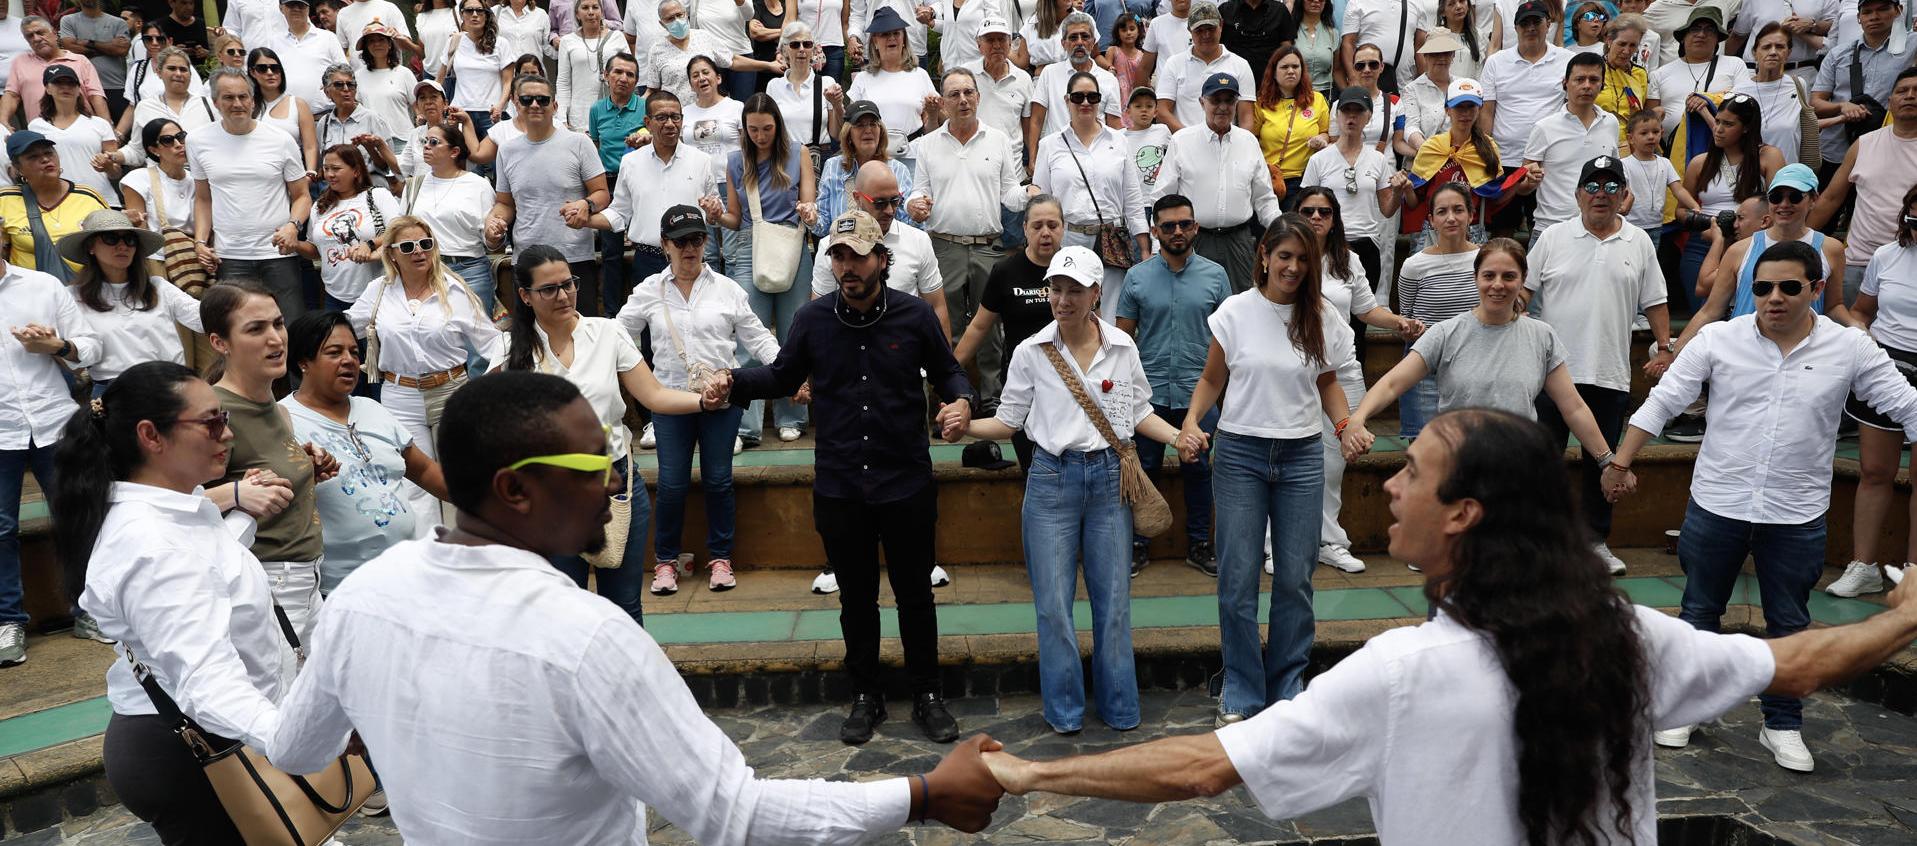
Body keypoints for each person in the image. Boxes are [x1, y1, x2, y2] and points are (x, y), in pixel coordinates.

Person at [979, 404, 1917, 843]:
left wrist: (1031, 772)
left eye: (1412, 474)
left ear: (1463, 512)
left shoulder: (1399, 672)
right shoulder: (1624, 630)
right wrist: (1905, 619)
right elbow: (1793, 663)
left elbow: (1203, 766)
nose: (1386, 485)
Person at [264, 370, 1006, 843]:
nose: (620, 481)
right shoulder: (585, 638)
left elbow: (296, 750)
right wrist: (921, 794)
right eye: (599, 466)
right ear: (515, 489)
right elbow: (733, 816)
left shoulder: (363, 599)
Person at [1610, 239, 1917, 772]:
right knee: (1699, 611)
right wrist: (1620, 464)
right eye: (1762, 287)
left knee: (1789, 621)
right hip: (1717, 502)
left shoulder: (1850, 348)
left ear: (1817, 290)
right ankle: (1687, 707)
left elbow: (1906, 403)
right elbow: (1664, 400)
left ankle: (1782, 723)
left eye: (1789, 287)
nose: (1773, 298)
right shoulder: (1718, 339)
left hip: (1795, 513)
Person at [718, 209, 976, 745]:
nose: (847, 265)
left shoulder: (913, 316)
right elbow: (783, 375)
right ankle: (867, 695)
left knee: (915, 595)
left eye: (857, 255)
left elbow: (949, 368)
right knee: (855, 599)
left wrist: (962, 401)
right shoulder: (812, 320)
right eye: (838, 255)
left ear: (883, 259)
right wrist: (733, 382)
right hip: (840, 485)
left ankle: (928, 693)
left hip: (905, 481)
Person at [50, 361, 300, 839]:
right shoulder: (153, 545)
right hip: (192, 753)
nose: (226, 434)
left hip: (207, 737)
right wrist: (295, 739)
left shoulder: (178, 511)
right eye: (211, 422)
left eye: (224, 418)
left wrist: (246, 512)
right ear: (152, 436)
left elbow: (208, 566)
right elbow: (206, 680)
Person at [960, 243, 1182, 734]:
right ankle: (1064, 711)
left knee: (1114, 603)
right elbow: (1008, 421)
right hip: (1051, 479)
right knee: (1054, 606)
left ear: (1095, 295)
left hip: (1109, 480)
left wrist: (1179, 436)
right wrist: (967, 428)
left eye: (1074, 291)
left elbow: (1138, 412)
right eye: (1055, 289)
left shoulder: (1123, 348)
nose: (1062, 300)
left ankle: (1120, 706)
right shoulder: (1031, 351)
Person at [1175, 215, 1354, 725]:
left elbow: (1327, 385)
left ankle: (1288, 683)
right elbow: (1213, 379)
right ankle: (1241, 685)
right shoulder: (1235, 312)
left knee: (1296, 577)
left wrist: (1345, 426)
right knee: (1236, 578)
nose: (1293, 267)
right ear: (1264, 256)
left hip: (1300, 456)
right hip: (1239, 455)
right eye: (1284, 256)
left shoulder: (1321, 316)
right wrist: (1190, 421)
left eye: (1302, 259)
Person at [502, 244, 698, 625]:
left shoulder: (607, 332)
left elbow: (654, 394)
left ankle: (630, 684)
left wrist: (705, 402)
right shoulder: (510, 352)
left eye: (568, 284)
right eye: (549, 289)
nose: (563, 295)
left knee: (624, 607)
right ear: (524, 296)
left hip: (615, 484)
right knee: (563, 611)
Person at [1344, 235, 1618, 504]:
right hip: (1457, 471)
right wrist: (1358, 418)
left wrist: (1607, 461)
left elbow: (1573, 407)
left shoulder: (1542, 336)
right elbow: (1393, 383)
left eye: (1508, 276)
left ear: (1523, 280)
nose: (1498, 285)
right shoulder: (1446, 333)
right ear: (1476, 278)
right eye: (1489, 276)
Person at [614, 207, 776, 595]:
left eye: (696, 239)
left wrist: (790, 371)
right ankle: (665, 561)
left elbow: (758, 339)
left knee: (719, 480)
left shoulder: (728, 289)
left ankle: (721, 557)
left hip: (721, 400)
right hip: (669, 400)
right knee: (671, 483)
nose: (689, 248)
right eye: (680, 241)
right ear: (665, 245)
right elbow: (618, 334)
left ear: (707, 242)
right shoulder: (649, 290)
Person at [1526, 154, 1671, 574]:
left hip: (1610, 372)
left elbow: (1656, 300)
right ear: (1577, 194)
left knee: (1602, 466)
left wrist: (1664, 347)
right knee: (1543, 462)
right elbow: (1524, 291)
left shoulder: (1640, 242)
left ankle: (1595, 542)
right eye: (1593, 186)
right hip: (1551, 375)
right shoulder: (1553, 237)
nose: (1601, 195)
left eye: (1611, 187)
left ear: (1625, 196)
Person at [201, 282, 337, 641]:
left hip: (309, 579)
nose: (276, 339)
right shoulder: (213, 414)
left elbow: (261, 474)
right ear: (219, 342)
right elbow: (169, 506)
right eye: (255, 329)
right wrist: (234, 492)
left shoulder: (279, 410)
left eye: (278, 324)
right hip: (266, 583)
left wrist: (306, 468)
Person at [1294, 187, 1419, 574]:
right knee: (1290, 460)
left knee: (1335, 462)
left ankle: (1330, 540)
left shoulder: (1348, 259)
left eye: (1325, 212)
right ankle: (1278, 545)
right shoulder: (1285, 257)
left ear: (1334, 219)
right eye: (1309, 210)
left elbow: (1366, 310)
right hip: (1293, 373)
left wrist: (1398, 321)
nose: (1316, 217)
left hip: (1343, 369)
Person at [347, 217, 501, 527]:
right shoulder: (378, 291)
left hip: (452, 390)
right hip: (399, 395)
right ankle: (428, 560)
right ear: (391, 254)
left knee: (461, 474)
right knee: (414, 484)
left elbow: (494, 341)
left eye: (425, 244)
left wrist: (485, 386)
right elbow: (347, 326)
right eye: (408, 246)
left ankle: (468, 553)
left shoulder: (454, 289)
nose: (419, 252)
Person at [283, 311, 447, 594]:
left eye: (354, 352)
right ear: (303, 362)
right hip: (337, 587)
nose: (349, 360)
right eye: (334, 352)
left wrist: (489, 503)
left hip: (404, 575)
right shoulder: (283, 421)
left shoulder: (373, 410)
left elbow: (425, 471)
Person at [1115, 194, 1230, 576]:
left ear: (1195, 227)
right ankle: (1137, 544)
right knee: (1142, 469)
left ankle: (1199, 543)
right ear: (1155, 231)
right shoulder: (1137, 276)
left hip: (1199, 393)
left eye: (1185, 224)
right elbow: (1122, 340)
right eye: (1168, 226)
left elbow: (1229, 341)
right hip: (1147, 396)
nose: (1177, 231)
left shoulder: (1216, 276)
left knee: (1199, 471)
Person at [0, 248, 102, 667]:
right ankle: (8, 621)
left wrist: (57, 345)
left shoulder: (42, 285)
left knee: (77, 517)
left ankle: (91, 606)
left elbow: (92, 347)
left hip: (53, 420)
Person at [703, 93, 817, 449]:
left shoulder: (797, 153)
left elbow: (809, 203)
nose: (760, 135)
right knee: (748, 337)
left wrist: (809, 212)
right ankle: (745, 426)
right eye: (753, 129)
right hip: (751, 245)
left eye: (767, 128)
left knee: (793, 334)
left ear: (777, 125)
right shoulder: (736, 161)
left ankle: (792, 416)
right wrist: (716, 213)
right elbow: (735, 220)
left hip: (792, 245)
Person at [908, 67, 1027, 405]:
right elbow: (918, 192)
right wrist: (916, 205)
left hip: (989, 246)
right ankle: (951, 396)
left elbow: (1011, 196)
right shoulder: (928, 145)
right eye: (954, 94)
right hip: (943, 246)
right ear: (943, 102)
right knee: (946, 327)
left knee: (989, 329)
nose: (962, 100)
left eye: (968, 92)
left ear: (978, 96)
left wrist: (1032, 191)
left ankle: (991, 400)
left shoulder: (999, 139)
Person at [1828, 185, 1917, 598]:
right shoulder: (1886, 256)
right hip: (1886, 367)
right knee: (1874, 471)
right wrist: (1862, 339)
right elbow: (1862, 310)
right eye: (1913, 219)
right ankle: (1863, 565)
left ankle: (1914, 576)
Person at [1679, 164, 1855, 347]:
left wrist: (1854, 324)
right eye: (1776, 197)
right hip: (1746, 349)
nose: (1784, 205)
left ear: (1813, 200)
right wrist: (1673, 349)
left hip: (1804, 351)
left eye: (1794, 197)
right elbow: (1711, 310)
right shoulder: (1739, 250)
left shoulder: (1831, 249)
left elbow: (1833, 305)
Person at [189, 69, 312, 324]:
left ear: (253, 100)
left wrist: (293, 226)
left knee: (292, 328)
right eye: (228, 98)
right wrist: (200, 242)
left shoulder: (280, 140)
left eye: (243, 97)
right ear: (215, 102)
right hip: (230, 255)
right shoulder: (197, 140)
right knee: (241, 328)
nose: (237, 104)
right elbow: (203, 198)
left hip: (278, 253)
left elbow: (301, 195)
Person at [955, 193, 1067, 472]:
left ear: (1063, 227)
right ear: (1024, 228)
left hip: (1071, 387)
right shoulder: (1005, 271)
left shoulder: (1076, 267)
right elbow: (980, 326)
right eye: (1037, 226)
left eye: (1052, 225)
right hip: (1024, 386)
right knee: (1036, 471)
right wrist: (950, 370)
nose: (1045, 233)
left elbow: (1095, 325)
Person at [486, 74, 611, 315]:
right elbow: (505, 203)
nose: (535, 105)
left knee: (579, 335)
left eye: (543, 100)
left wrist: (586, 205)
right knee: (530, 339)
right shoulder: (507, 151)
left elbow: (602, 193)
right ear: (516, 104)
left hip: (573, 256)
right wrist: (495, 222)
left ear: (554, 106)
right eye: (527, 99)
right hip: (526, 258)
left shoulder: (579, 143)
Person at [589, 89, 722, 313]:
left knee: (692, 331)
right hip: (647, 260)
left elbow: (714, 212)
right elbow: (619, 213)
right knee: (650, 336)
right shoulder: (630, 163)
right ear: (647, 122)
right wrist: (586, 220)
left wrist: (714, 212)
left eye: (675, 117)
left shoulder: (701, 161)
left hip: (690, 258)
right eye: (661, 117)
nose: (670, 123)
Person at [1030, 70, 1150, 317]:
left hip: (1111, 240)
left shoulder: (1119, 140)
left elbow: (1133, 200)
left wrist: (1145, 248)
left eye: (1092, 97)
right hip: (1069, 239)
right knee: (1071, 311)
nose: (1085, 103)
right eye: (1078, 97)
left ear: (1100, 100)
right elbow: (1042, 203)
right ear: (1067, 100)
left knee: (1111, 314)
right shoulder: (1050, 145)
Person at [1155, 73, 1280, 293]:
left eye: (1229, 100)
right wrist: (1159, 243)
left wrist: (1282, 229)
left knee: (1240, 305)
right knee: (1193, 304)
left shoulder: (1249, 141)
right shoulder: (1182, 141)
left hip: (1239, 241)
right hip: (1194, 241)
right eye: (1216, 100)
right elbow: (1162, 197)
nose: (1223, 107)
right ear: (1202, 102)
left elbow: (1264, 198)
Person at [55, 210, 200, 397]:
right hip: (114, 393)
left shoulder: (159, 287)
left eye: (130, 239)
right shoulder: (71, 296)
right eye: (110, 238)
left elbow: (202, 317)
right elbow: (73, 359)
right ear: (90, 247)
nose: (122, 246)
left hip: (172, 386)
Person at [1812, 69, 1917, 311]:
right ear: (1889, 102)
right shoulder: (1864, 144)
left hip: (1909, 263)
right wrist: (1801, 238)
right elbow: (1830, 198)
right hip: (1857, 263)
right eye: (1902, 91)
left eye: (1916, 91)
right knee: (1850, 336)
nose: (1909, 96)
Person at [810, 161, 949, 334]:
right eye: (880, 202)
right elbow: (819, 314)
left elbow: (937, 306)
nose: (890, 210)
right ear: (857, 198)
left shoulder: (918, 240)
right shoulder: (830, 246)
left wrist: (943, 357)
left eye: (895, 200)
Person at [1680, 92, 1785, 309]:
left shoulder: (1768, 156)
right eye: (1717, 121)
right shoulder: (1700, 162)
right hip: (1704, 243)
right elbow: (1680, 211)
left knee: (1743, 311)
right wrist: (1709, 223)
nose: (1718, 129)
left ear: (1746, 127)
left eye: (1728, 124)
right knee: (1703, 313)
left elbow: (1778, 207)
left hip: (1751, 243)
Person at [1392, 182, 1479, 439]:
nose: (1451, 217)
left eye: (1458, 210)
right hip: (1426, 364)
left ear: (1470, 215)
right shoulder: (1414, 266)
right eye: (1442, 212)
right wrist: (1410, 329)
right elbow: (1406, 314)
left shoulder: (1486, 260)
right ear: (1431, 219)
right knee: (1426, 451)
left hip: (1475, 361)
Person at [1479, 0, 1570, 235]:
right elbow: (1487, 111)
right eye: (1524, 23)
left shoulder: (1567, 60)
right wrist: (1487, 156)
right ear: (1516, 28)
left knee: (1548, 231)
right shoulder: (1495, 62)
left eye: (1536, 21)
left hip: (1549, 161)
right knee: (1501, 231)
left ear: (1548, 24)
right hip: (1506, 159)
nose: (1531, 28)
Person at [1302, 86, 1399, 287]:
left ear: (1369, 117)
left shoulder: (1378, 159)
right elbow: (1304, 209)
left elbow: (1387, 210)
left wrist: (1399, 192)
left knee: (1362, 313)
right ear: (1337, 115)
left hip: (1367, 243)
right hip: (1329, 243)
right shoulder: (1319, 160)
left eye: (1358, 111)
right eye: (1346, 111)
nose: (1351, 117)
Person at [1394, 77, 1506, 250]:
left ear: (1479, 109)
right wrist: (1407, 187)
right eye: (1459, 107)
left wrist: (1521, 184)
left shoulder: (1489, 147)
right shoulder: (1431, 147)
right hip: (1434, 233)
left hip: (1473, 234)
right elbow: (1414, 203)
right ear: (1447, 110)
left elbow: (1496, 198)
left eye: (1471, 107)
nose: (1465, 113)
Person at [1811, 0, 1910, 193]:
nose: (1874, 16)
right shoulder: (1838, 54)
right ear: (1859, 17)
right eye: (1867, 12)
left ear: (1898, 11)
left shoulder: (1911, 45)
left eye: (1882, 9)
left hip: (1887, 152)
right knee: (1826, 208)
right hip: (1837, 148)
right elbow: (1815, 103)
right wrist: (1842, 106)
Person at [1519, 52, 1618, 232]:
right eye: (1579, 79)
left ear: (1602, 85)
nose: (1587, 86)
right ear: (1565, 83)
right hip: (1551, 228)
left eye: (1593, 80)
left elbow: (1614, 172)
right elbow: (1522, 186)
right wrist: (1529, 181)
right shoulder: (1544, 127)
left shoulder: (1611, 123)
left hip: (1598, 228)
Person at [294, 143, 401, 311]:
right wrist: (295, 245)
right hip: (334, 296)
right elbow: (316, 250)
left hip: (378, 294)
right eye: (326, 168)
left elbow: (400, 230)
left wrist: (370, 244)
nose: (329, 174)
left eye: (336, 169)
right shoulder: (320, 206)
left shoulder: (377, 195)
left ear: (356, 171)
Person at [405, 121, 498, 311]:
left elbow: (492, 242)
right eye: (424, 141)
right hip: (426, 269)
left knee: (474, 336)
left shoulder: (478, 185)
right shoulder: (415, 185)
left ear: (454, 152)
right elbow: (401, 229)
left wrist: (494, 235)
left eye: (433, 142)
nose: (426, 146)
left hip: (469, 270)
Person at [0, 130, 111, 278]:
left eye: (49, 152)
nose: (45, 159)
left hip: (85, 291)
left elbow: (111, 243)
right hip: (31, 294)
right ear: (18, 168)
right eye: (33, 157)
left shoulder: (88, 196)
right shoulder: (6, 199)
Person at [585, 51, 646, 314]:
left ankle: (644, 309)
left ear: (636, 81)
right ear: (606, 76)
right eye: (618, 72)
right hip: (609, 184)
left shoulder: (645, 107)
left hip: (642, 182)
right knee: (611, 252)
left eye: (630, 74)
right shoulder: (597, 110)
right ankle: (612, 313)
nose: (623, 78)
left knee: (646, 246)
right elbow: (596, 147)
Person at [849, 6, 937, 167]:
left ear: (904, 39)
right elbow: (849, 125)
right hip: (874, 160)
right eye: (884, 34)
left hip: (913, 158)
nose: (891, 38)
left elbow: (933, 130)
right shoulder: (862, 78)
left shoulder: (920, 75)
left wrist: (933, 113)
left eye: (896, 33)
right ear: (875, 41)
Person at [814, 100, 914, 241]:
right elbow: (823, 226)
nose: (868, 130)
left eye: (873, 124)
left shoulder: (898, 170)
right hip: (844, 251)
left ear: (881, 130)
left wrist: (917, 212)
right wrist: (811, 218)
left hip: (888, 248)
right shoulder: (833, 167)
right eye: (860, 125)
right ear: (848, 134)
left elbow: (908, 223)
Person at [1153, 2, 1257, 132]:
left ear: (1221, 25)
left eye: (1211, 29)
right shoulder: (1174, 64)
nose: (1206, 35)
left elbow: (1246, 118)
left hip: (1226, 146)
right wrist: (1189, 139)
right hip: (1184, 147)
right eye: (1199, 30)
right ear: (1189, 30)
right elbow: (1162, 111)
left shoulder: (1240, 65)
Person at [1731, 22, 1816, 168]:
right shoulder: (1739, 92)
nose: (1773, 52)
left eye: (1780, 47)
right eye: (1766, 47)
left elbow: (1801, 127)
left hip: (1789, 178)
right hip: (1750, 177)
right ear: (1754, 53)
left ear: (1788, 53)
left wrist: (1840, 117)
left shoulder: (1798, 85)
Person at [1252, 46, 1330, 202]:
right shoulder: (1261, 103)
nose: (1291, 71)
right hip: (1269, 178)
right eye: (1284, 67)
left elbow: (1326, 132)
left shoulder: (1317, 99)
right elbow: (1252, 139)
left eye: (1295, 66)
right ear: (1273, 72)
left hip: (1303, 180)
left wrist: (1322, 140)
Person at [1028, 12, 1120, 142]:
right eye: (1073, 38)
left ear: (1093, 42)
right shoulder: (1049, 73)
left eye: (1085, 37)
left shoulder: (1109, 80)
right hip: (1057, 155)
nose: (1079, 42)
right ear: (1063, 43)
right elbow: (1036, 120)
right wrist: (1033, 160)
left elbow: (1114, 127)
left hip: (1096, 155)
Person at [31, 64, 117, 203]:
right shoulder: (36, 126)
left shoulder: (100, 124)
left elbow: (116, 171)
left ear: (78, 90)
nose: (65, 87)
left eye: (71, 83)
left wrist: (108, 166)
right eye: (58, 83)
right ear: (47, 88)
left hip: (100, 198)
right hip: (56, 201)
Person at [2, 16, 109, 126]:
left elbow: (96, 96)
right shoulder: (20, 62)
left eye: (40, 32)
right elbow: (11, 95)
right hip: (41, 134)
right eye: (30, 36)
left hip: (82, 129)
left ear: (54, 32)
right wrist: (3, 122)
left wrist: (107, 127)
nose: (36, 39)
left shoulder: (79, 61)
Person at [243, 47, 320, 181]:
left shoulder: (297, 104)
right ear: (252, 72)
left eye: (275, 68)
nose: (270, 72)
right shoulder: (247, 105)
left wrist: (310, 174)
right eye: (262, 68)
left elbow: (310, 146)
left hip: (294, 176)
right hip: (256, 176)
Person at [441, 0, 512, 140]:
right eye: (469, 10)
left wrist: (500, 106)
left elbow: (508, 81)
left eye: (479, 11)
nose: (474, 15)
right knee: (462, 159)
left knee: (493, 160)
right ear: (462, 15)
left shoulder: (501, 43)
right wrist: (444, 106)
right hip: (460, 111)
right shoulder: (454, 41)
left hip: (491, 113)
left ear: (486, 15)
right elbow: (440, 78)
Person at [314, 64, 401, 173]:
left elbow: (388, 167)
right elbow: (321, 164)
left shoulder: (372, 119)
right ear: (327, 92)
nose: (346, 89)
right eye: (339, 85)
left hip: (368, 184)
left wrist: (370, 149)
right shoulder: (324, 123)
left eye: (351, 85)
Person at [120, 119, 195, 241]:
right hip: (158, 255)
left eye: (181, 137)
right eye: (167, 140)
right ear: (154, 150)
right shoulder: (138, 179)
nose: (178, 144)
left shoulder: (198, 179)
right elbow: (140, 232)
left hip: (197, 255)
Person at [124, 46, 214, 146]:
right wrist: (113, 156)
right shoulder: (145, 107)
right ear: (159, 72)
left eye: (183, 69)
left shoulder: (209, 105)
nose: (178, 74)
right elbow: (137, 150)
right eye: (172, 68)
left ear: (190, 74)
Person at [56, 0, 128, 122]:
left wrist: (89, 43)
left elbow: (121, 50)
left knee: (121, 132)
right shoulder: (68, 20)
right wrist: (108, 47)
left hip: (115, 85)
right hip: (82, 88)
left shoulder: (118, 22)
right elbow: (70, 47)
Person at [269, 0, 348, 111]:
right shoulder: (273, 42)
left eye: (301, 5)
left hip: (324, 115)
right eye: (291, 5)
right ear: (281, 8)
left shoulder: (328, 38)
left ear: (308, 8)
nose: (296, 9)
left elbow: (345, 74)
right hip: (286, 117)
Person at [351, 24, 416, 151]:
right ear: (366, 47)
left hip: (402, 140)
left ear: (390, 44)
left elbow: (418, 106)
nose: (377, 44)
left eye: (381, 40)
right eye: (371, 41)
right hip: (371, 142)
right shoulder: (358, 76)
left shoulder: (404, 73)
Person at [557, 0, 620, 130]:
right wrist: (562, 118)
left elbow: (630, 73)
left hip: (614, 111)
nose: (591, 12)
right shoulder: (567, 41)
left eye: (595, 7)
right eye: (585, 8)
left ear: (602, 13)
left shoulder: (617, 37)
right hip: (580, 115)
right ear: (577, 14)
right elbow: (563, 82)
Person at [1590, 15, 1647, 142]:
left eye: (1633, 45)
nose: (1626, 51)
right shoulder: (1593, 70)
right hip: (1596, 138)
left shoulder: (1639, 74)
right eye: (1622, 44)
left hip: (1630, 143)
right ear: (1609, 41)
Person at [1330, 41, 1393, 150]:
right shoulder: (1338, 105)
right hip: (1349, 165)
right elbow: (1334, 143)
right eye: (1360, 66)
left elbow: (1399, 142)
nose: (1367, 70)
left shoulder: (1394, 103)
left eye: (1373, 64)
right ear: (1354, 68)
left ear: (1382, 67)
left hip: (1385, 164)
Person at [1225, 0, 1298, 85]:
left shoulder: (1279, 10)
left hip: (1270, 82)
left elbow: (1287, 50)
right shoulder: (1226, 10)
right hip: (1233, 81)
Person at [1415, 0, 1484, 81]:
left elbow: (1479, 71)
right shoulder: (1435, 36)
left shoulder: (1478, 35)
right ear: (1442, 12)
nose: (1458, 7)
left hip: (1469, 90)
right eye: (1451, 4)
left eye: (1462, 1)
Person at [1290, 0, 1339, 96]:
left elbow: (1337, 70)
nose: (1316, 1)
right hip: (1295, 92)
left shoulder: (1333, 34)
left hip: (1325, 95)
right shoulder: (1289, 31)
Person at [494, 0, 555, 69]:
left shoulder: (541, 14)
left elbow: (549, 48)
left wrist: (561, 43)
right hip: (504, 74)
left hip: (532, 74)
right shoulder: (495, 12)